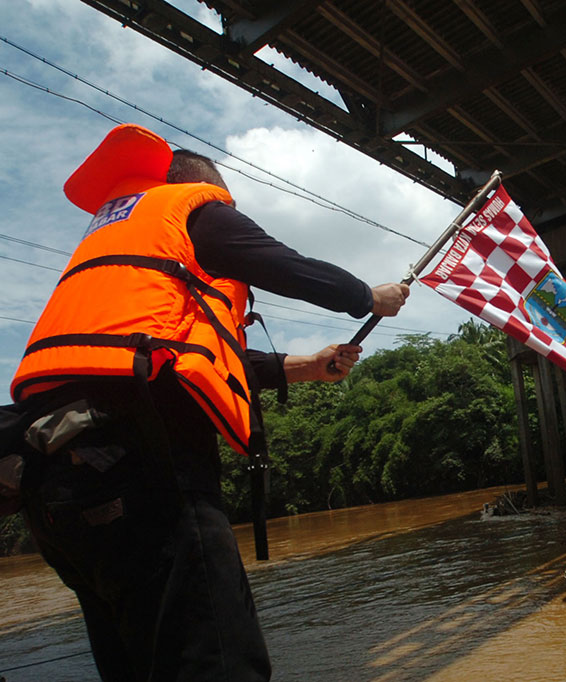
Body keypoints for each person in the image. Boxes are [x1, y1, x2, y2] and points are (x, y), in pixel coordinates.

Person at [7, 124, 410, 681]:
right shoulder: (188, 205)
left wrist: (308, 368)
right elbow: (284, 263)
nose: (232, 213)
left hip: (51, 486)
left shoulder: (112, 258)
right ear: (202, 185)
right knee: (217, 664)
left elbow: (181, 358)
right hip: (144, 466)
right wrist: (369, 296)